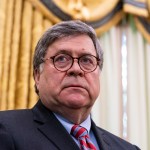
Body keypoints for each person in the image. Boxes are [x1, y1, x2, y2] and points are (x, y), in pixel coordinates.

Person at [0, 20, 140, 150]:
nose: (76, 69)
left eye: (86, 60)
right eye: (61, 59)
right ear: (37, 76)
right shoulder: (5, 129)